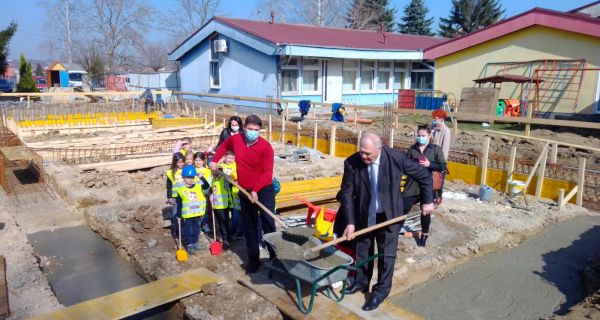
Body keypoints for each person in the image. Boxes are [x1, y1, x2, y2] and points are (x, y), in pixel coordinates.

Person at [338, 132, 434, 311]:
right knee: (362, 250)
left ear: (379, 149)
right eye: (361, 152)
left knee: (386, 255)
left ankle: (380, 292)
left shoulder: (396, 158)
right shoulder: (351, 163)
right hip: (364, 214)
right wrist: (350, 222)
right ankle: (360, 282)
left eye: (368, 153)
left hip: (390, 215)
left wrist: (427, 200)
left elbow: (424, 175)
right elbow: (346, 194)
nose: (364, 156)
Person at [210, 114, 275, 273]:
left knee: (268, 224)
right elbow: (224, 146)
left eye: (256, 130)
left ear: (260, 130)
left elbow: (267, 173)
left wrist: (256, 190)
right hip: (244, 190)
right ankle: (254, 261)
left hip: (264, 190)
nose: (253, 132)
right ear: (244, 128)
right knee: (250, 227)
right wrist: (214, 160)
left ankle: (275, 259)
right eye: (250, 129)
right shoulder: (237, 139)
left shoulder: (266, 147)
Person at [402, 126, 447, 247]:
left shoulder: (435, 149)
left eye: (423, 136)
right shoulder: (412, 149)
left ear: (429, 136)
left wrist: (429, 164)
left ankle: (424, 234)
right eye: (419, 135)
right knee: (402, 208)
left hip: (428, 186)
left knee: (425, 212)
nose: (420, 138)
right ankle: (394, 231)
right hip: (412, 185)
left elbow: (443, 167)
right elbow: (405, 165)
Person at [172, 165, 210, 254]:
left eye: (192, 177)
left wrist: (202, 177)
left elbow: (207, 186)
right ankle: (189, 245)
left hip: (197, 214)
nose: (191, 179)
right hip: (187, 216)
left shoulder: (198, 186)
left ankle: (195, 243)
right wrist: (178, 215)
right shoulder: (181, 190)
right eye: (188, 177)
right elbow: (179, 204)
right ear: (183, 178)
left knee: (196, 230)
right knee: (189, 231)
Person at [211, 151, 235, 250]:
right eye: (214, 172)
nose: (216, 174)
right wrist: (211, 195)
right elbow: (212, 190)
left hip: (224, 206)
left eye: (218, 172)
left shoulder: (224, 179)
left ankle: (226, 240)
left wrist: (223, 174)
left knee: (224, 223)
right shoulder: (213, 180)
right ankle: (220, 238)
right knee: (218, 223)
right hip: (216, 206)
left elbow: (229, 180)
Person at [166, 152, 185, 239]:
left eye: (182, 162)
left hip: (185, 195)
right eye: (179, 162)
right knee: (176, 214)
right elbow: (169, 185)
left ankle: (184, 230)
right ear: (175, 162)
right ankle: (177, 231)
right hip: (176, 196)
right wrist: (169, 197)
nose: (181, 164)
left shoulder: (186, 170)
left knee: (185, 214)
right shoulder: (170, 173)